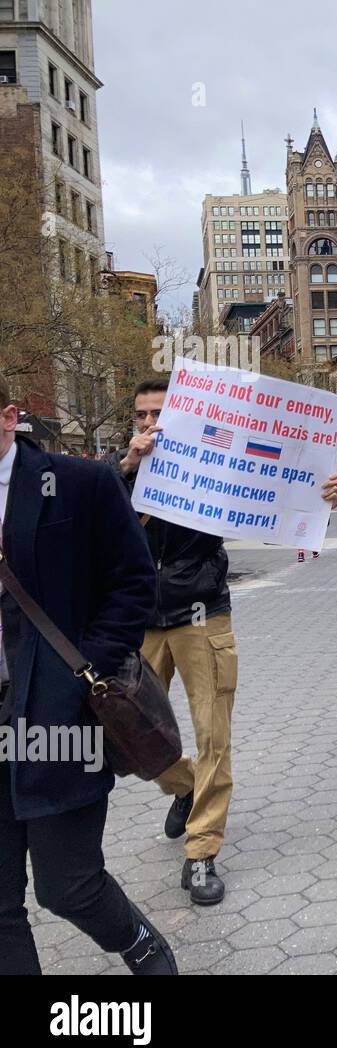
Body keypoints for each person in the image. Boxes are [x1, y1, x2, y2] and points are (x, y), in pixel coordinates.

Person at [115, 379, 337, 906]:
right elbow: (94, 522)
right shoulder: (117, 472)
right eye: (141, 415)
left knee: (212, 735)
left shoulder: (213, 465)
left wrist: (321, 496)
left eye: (158, 414)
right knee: (127, 732)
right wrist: (128, 467)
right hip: (139, 622)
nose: (149, 424)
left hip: (202, 614)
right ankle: (184, 785)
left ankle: (202, 851)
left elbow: (274, 495)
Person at [0, 375, 176, 974]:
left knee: (66, 884)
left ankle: (144, 947)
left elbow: (133, 585)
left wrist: (83, 674)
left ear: (9, 417)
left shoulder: (78, 484)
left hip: (56, 718)